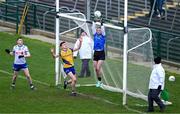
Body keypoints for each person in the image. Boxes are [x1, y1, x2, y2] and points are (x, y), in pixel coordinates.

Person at [91, 20, 106, 87]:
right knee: (96, 69)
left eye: (100, 30)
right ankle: (99, 81)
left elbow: (103, 30)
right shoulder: (95, 35)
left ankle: (100, 81)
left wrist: (102, 24)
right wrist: (94, 22)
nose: (98, 31)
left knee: (97, 68)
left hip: (101, 53)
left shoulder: (103, 36)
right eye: (97, 30)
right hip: (96, 53)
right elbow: (93, 28)